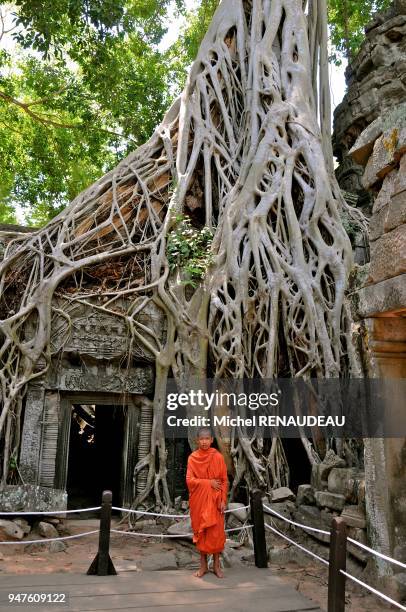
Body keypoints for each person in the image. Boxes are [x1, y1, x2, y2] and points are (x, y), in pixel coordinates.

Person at [186, 427, 228, 578]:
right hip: (199, 501)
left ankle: (216, 565)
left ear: (211, 440)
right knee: (201, 532)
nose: (204, 442)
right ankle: (203, 565)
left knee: (215, 533)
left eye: (207, 439)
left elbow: (223, 480)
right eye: (201, 439)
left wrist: (223, 499)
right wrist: (208, 482)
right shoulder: (192, 458)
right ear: (197, 441)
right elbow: (189, 480)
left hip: (215, 502)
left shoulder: (217, 457)